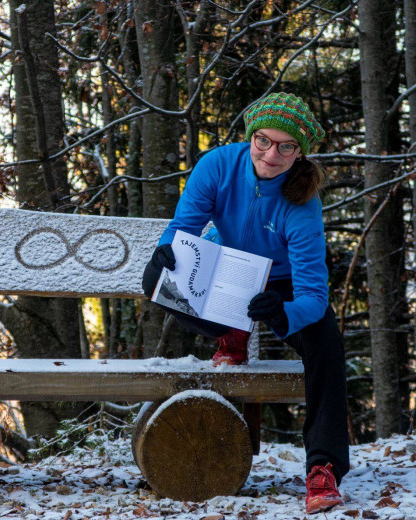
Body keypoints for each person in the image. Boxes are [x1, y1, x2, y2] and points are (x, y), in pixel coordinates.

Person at [141, 92, 349, 515]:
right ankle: (231, 330)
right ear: (250, 136)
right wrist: (167, 252)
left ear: (300, 153)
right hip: (227, 267)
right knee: (157, 281)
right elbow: (184, 227)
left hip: (281, 283)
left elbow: (313, 295)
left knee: (326, 345)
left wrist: (283, 313)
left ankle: (323, 467)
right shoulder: (217, 165)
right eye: (263, 141)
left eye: (286, 146)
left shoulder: (303, 202)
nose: (271, 155)